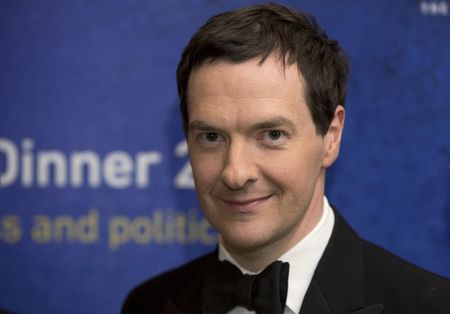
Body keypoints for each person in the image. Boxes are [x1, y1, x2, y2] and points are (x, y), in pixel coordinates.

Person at [122, 3, 450, 314]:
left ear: (331, 137)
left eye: (272, 135)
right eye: (211, 137)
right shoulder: (147, 304)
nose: (235, 173)